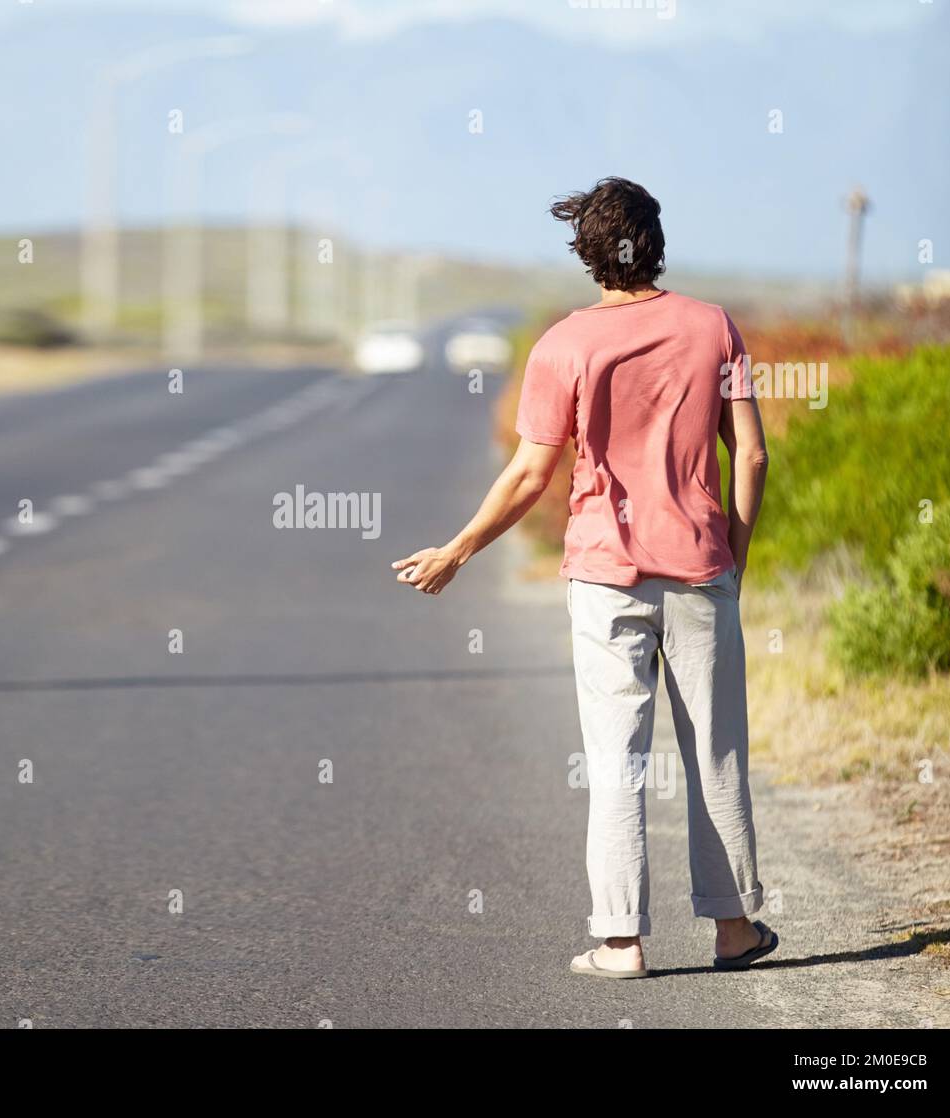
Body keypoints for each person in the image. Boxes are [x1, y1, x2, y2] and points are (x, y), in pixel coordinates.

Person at [391, 177, 777, 978]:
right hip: (702, 572)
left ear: (589, 254)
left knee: (615, 760)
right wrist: (732, 556)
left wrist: (458, 549)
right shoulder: (714, 328)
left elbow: (532, 475)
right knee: (717, 755)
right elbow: (756, 454)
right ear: (656, 244)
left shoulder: (563, 345)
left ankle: (621, 942)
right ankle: (734, 931)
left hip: (605, 579)